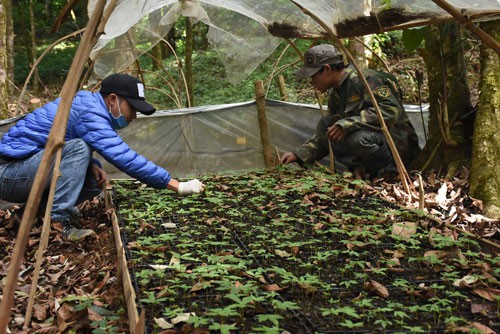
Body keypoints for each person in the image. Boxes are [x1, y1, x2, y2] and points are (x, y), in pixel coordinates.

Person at [0, 73, 205, 241]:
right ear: (113, 99)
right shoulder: (90, 111)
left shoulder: (89, 106)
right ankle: (57, 224)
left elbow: (57, 143)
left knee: (93, 180)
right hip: (9, 173)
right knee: (79, 148)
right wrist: (177, 186)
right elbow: (124, 158)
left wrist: (90, 165)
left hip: (23, 171)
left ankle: (29, 216)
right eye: (132, 108)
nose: (134, 116)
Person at [281, 44, 419, 179]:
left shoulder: (366, 79)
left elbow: (390, 110)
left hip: (399, 145)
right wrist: (299, 155)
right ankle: (362, 171)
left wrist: (348, 124)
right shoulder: (336, 93)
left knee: (358, 138)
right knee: (326, 125)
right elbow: (328, 134)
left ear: (327, 70)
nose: (312, 82)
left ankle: (391, 174)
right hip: (373, 143)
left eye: (313, 76)